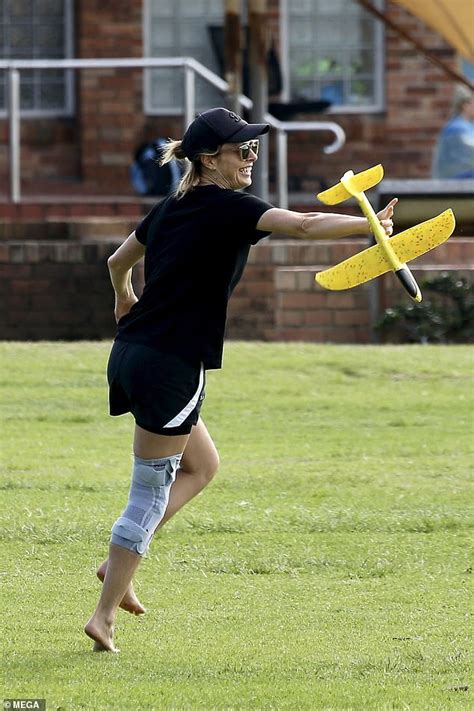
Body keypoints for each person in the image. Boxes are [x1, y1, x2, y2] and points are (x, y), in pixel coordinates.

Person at [84, 107, 397, 652]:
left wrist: (124, 297)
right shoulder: (230, 208)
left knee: (202, 466)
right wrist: (368, 226)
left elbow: (117, 262)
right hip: (172, 363)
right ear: (210, 159)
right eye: (242, 150)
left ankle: (118, 565)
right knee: (149, 493)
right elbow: (301, 224)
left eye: (255, 149)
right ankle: (104, 613)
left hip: (132, 353)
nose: (252, 158)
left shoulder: (168, 208)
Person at [432, 84, 474, 179]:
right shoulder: (456, 128)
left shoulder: (470, 126)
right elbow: (469, 156)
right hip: (455, 184)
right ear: (465, 105)